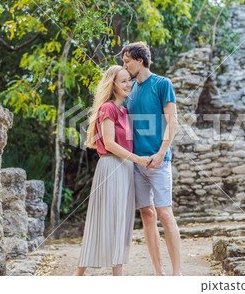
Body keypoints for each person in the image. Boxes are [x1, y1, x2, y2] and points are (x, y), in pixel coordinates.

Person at [74, 65, 150, 276]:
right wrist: (138, 160)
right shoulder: (108, 108)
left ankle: (117, 276)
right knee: (104, 220)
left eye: (130, 80)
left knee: (122, 221)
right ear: (113, 84)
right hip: (111, 167)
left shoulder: (124, 111)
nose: (129, 84)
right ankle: (77, 275)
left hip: (125, 169)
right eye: (124, 81)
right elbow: (109, 143)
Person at [121, 42, 182, 276]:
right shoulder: (129, 90)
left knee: (165, 213)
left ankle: (177, 276)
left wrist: (160, 153)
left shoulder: (162, 84)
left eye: (127, 61)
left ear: (141, 60)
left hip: (159, 161)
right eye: (124, 62)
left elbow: (173, 122)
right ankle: (160, 274)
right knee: (147, 215)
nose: (125, 66)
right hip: (137, 164)